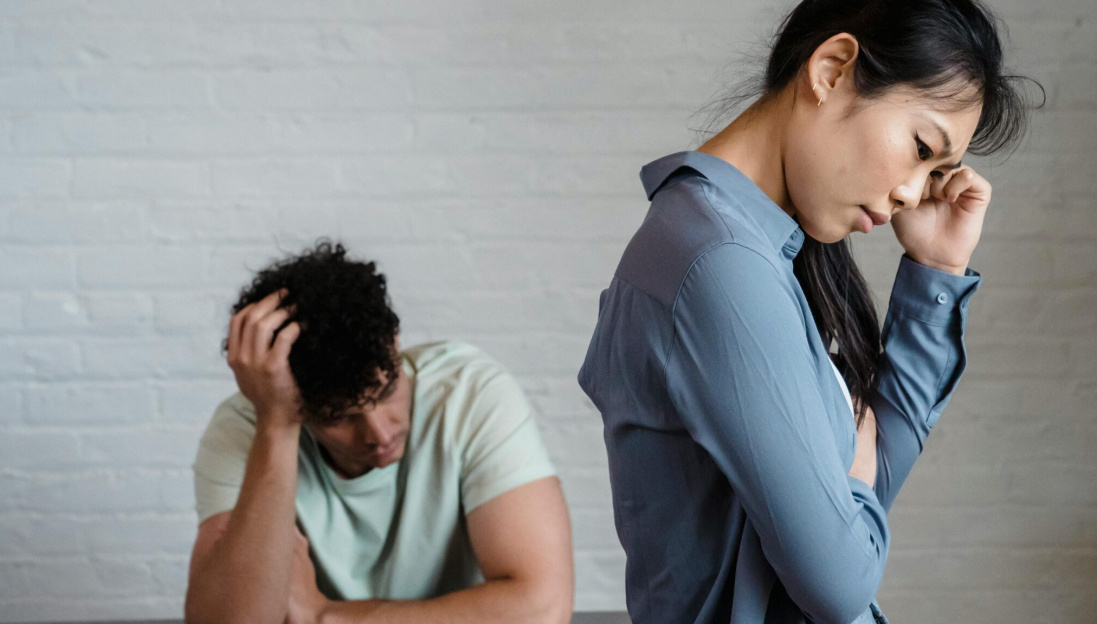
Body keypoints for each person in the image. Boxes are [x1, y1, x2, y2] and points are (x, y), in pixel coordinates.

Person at [577, 0, 1040, 622]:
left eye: (938, 170)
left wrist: (936, 268)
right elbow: (839, 583)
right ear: (831, 70)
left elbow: (865, 496)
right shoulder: (721, 265)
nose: (912, 193)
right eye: (921, 146)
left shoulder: (749, 250)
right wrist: (853, 475)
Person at [185, 241, 574, 624]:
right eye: (338, 416)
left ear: (396, 343)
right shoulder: (248, 428)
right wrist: (277, 425)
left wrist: (328, 618)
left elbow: (542, 609)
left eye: (387, 392)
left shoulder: (468, 395)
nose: (379, 433)